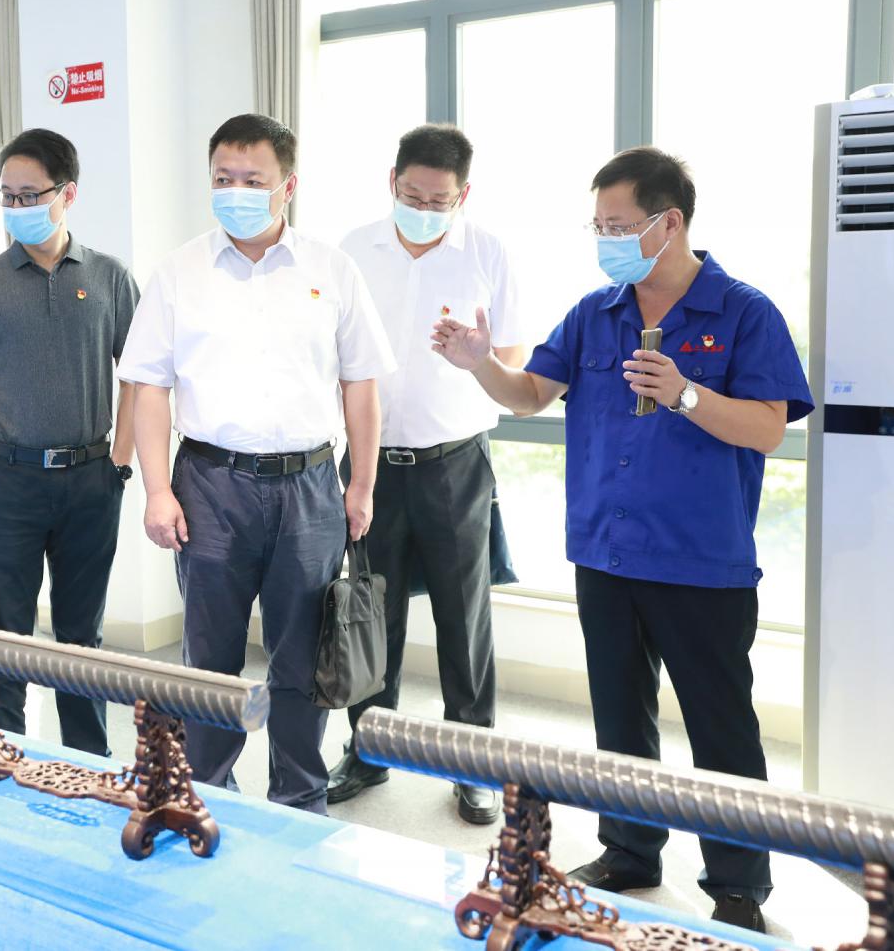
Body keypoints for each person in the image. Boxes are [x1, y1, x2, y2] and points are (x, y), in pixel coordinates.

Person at [430, 147, 812, 934]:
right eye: (598, 226)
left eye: (618, 225)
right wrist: (479, 364)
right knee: (619, 718)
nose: (605, 239)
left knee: (720, 728)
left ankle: (739, 880)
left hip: (700, 560)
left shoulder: (744, 312)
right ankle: (631, 848)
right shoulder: (594, 312)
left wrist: (687, 393)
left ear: (669, 223)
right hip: (605, 552)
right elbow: (529, 394)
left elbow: (770, 428)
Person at [118, 113, 395, 814]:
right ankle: (207, 795)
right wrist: (157, 490)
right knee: (209, 657)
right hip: (210, 485)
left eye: (252, 180)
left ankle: (300, 799)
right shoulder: (179, 273)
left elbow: (361, 384)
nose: (235, 191)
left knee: (304, 655)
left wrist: (361, 484)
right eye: (223, 178)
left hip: (310, 485)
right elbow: (148, 387)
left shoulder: (331, 270)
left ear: (287, 186)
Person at [327, 124, 521, 824]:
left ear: (463, 195)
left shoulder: (488, 254)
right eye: (412, 195)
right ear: (392, 181)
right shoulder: (353, 250)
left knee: (463, 617)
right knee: (369, 611)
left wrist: (479, 355)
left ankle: (471, 763)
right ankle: (369, 749)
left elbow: (514, 360)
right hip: (371, 462)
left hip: (454, 464)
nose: (424, 208)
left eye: (439, 200)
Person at [0, 128, 139, 757]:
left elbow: (138, 377)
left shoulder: (109, 278)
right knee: (5, 636)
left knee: (82, 639)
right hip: (9, 481)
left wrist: (120, 463)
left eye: (31, 194)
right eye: (8, 195)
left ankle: (87, 761)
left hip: (90, 482)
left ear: (67, 194)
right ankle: (6, 756)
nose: (18, 206)